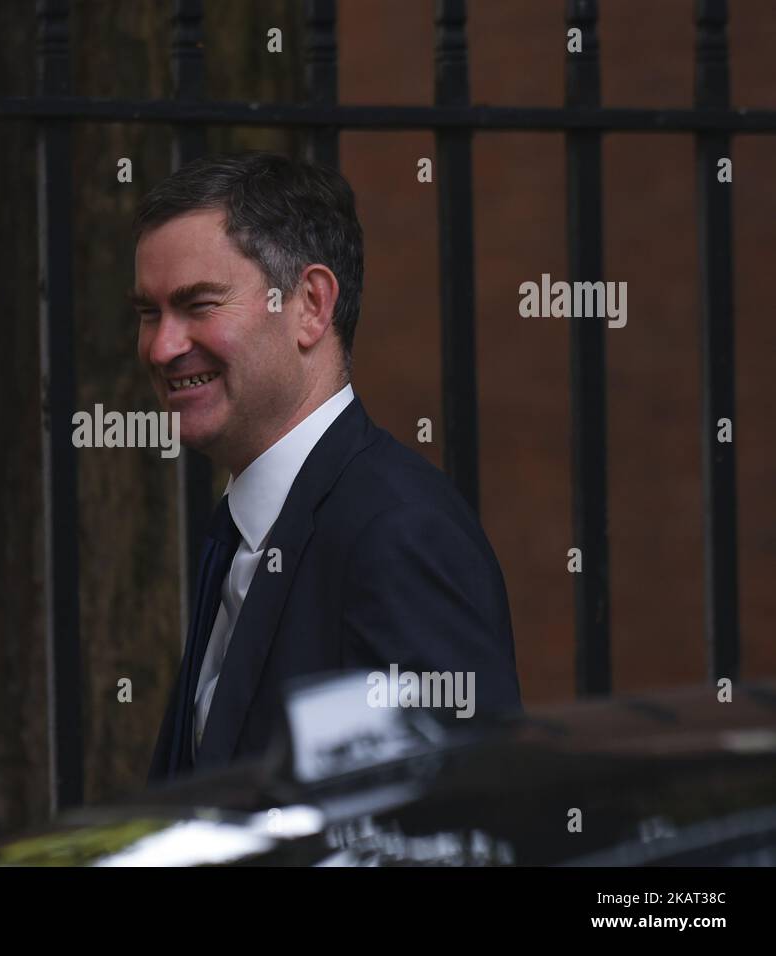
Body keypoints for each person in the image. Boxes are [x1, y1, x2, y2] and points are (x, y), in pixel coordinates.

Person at [130, 151, 522, 785]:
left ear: (310, 305)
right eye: (148, 314)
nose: (161, 346)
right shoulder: (238, 528)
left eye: (198, 305)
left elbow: (460, 818)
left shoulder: (399, 533)